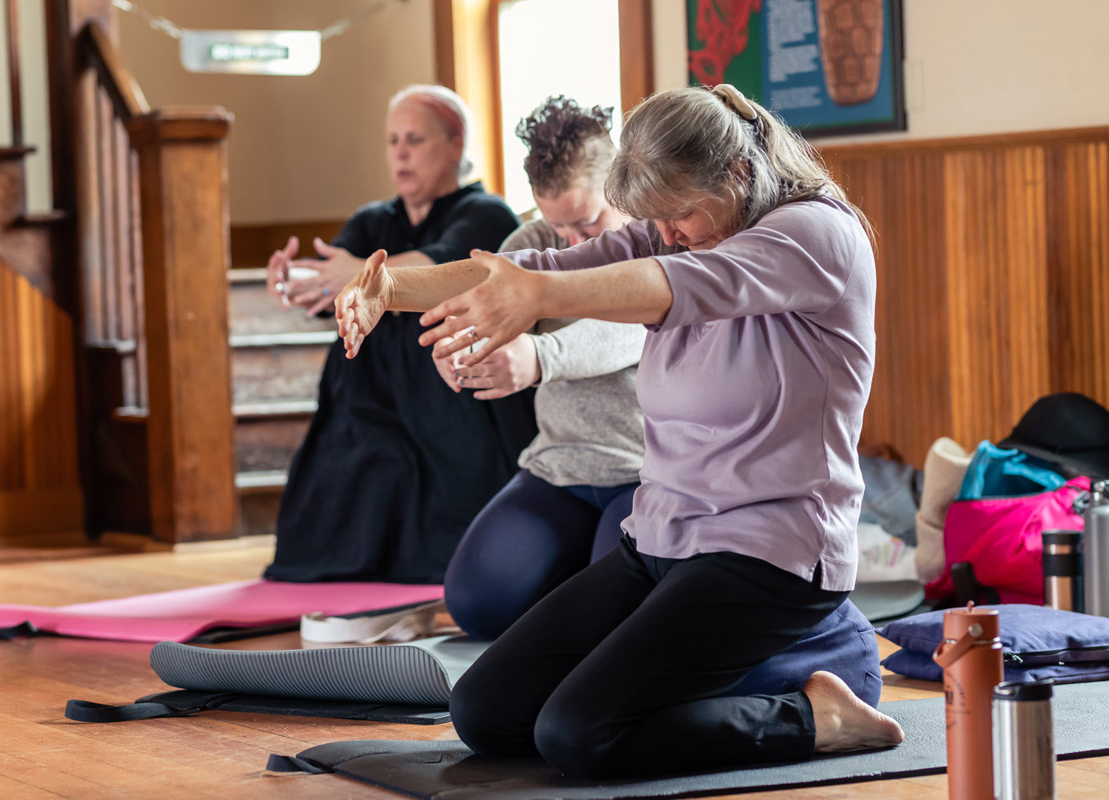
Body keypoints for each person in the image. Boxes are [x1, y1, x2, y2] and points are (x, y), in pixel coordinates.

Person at [335, 84, 904, 778]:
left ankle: (817, 716)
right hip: (662, 539)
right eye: (655, 220)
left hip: (771, 555)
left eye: (679, 214)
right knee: (487, 711)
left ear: (739, 175)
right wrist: (389, 290)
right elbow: (528, 270)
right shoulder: (680, 227)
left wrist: (542, 303)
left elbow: (677, 283)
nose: (666, 232)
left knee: (581, 734)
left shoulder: (816, 234)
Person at [262, 85, 535, 585]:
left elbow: (438, 268)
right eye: (393, 141)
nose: (401, 153)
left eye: (415, 139)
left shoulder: (487, 212)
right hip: (368, 396)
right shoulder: (373, 221)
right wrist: (294, 283)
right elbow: (332, 285)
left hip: (446, 394)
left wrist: (353, 276)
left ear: (455, 145)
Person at [438, 96, 644, 640]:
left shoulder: (657, 236)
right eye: (558, 226)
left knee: (616, 623)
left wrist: (539, 357)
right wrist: (462, 350)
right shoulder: (530, 244)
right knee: (475, 607)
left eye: (587, 220)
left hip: (649, 474)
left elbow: (630, 330)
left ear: (620, 184)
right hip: (560, 470)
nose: (573, 243)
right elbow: (481, 310)